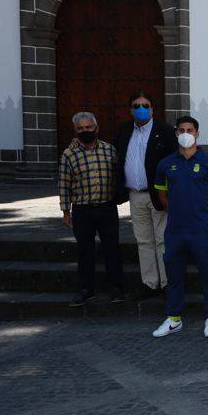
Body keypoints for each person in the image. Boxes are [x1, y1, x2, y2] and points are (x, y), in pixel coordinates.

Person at [151, 116, 208, 338]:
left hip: (201, 229)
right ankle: (174, 319)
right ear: (176, 134)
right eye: (182, 130)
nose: (186, 134)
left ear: (197, 133)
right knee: (174, 275)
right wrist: (176, 211)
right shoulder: (166, 164)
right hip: (175, 229)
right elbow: (161, 194)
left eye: (190, 130)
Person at [114, 92, 177, 300]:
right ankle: (150, 283)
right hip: (135, 195)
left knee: (162, 239)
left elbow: (173, 162)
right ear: (130, 110)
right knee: (143, 240)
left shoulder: (165, 131)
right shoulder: (124, 130)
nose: (141, 109)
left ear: (152, 109)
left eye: (145, 105)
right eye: (136, 105)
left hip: (158, 194)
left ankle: (167, 283)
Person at [59, 112, 124, 306]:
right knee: (84, 250)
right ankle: (86, 289)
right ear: (75, 131)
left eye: (88, 127)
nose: (85, 131)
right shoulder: (69, 154)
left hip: (107, 208)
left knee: (112, 248)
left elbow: (119, 174)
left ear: (96, 128)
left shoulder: (110, 150)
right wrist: (66, 211)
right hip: (82, 210)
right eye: (80, 128)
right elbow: (64, 183)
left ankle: (116, 287)